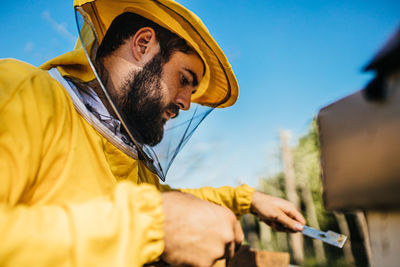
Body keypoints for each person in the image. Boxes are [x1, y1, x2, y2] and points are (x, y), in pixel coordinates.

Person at [0, 1, 305, 266]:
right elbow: (156, 214)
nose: (186, 102)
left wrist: (247, 199)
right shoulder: (20, 92)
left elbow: (170, 203)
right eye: (184, 79)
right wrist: (150, 225)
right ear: (143, 44)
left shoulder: (129, 158)